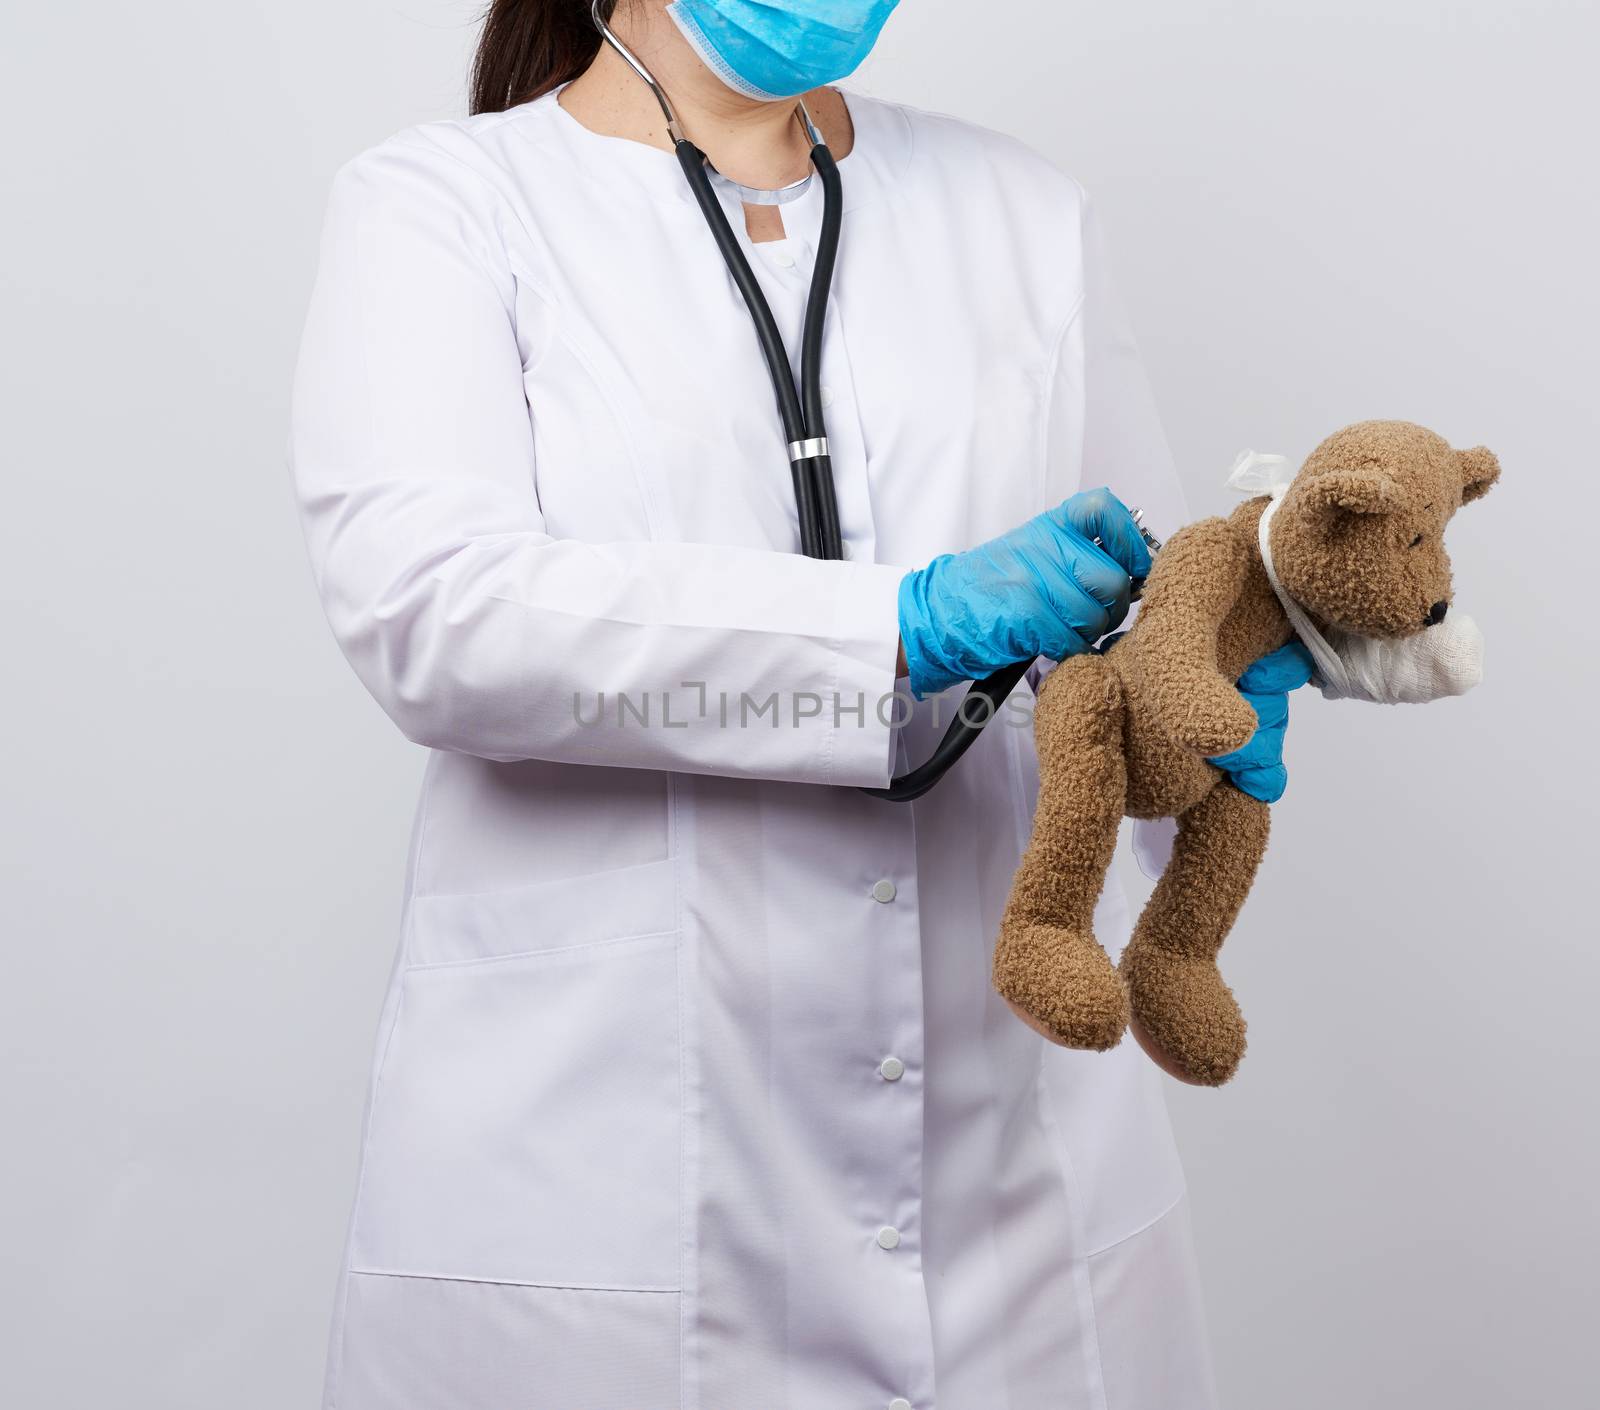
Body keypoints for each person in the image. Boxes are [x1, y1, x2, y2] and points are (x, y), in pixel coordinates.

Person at [291, 3, 1304, 1405]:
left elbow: (1148, 615)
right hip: (612, 1179)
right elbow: (434, 616)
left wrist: (1215, 680)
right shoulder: (443, 208)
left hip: (1010, 1181)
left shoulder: (1024, 216)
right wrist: (898, 623)